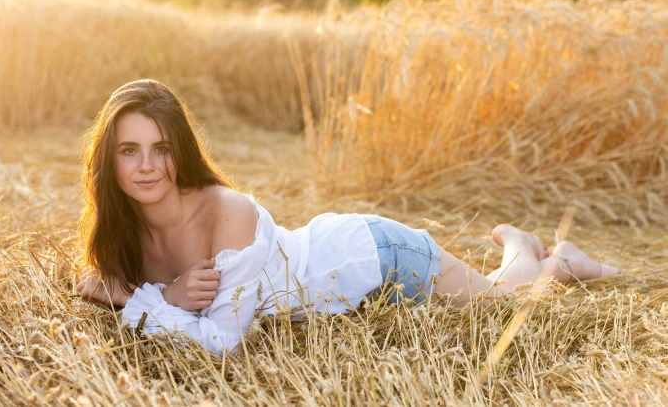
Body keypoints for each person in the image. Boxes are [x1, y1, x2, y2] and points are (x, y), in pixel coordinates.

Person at [75, 79, 618, 355]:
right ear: (109, 160)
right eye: (129, 150)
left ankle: (533, 251)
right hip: (351, 275)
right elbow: (103, 282)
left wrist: (148, 299)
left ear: (181, 151)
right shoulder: (125, 233)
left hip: (376, 256)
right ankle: (542, 256)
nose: (146, 166)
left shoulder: (226, 214)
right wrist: (161, 298)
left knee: (504, 304)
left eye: (160, 148)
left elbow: (221, 343)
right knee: (498, 297)